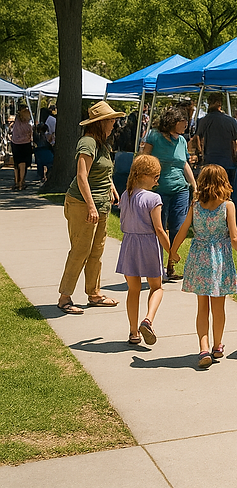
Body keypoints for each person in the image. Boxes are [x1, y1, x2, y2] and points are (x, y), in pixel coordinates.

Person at [170, 165, 237, 368]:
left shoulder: (195, 204)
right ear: (224, 182)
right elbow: (234, 237)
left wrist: (173, 251)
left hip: (199, 257)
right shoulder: (227, 206)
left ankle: (203, 347)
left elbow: (183, 228)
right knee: (218, 307)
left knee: (202, 307)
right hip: (219, 260)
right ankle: (217, 346)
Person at [57, 101, 125, 314]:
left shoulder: (101, 143)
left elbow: (102, 172)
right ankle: (65, 298)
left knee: (96, 251)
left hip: (101, 204)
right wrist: (91, 206)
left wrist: (112, 188)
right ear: (100, 123)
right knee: (80, 251)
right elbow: (81, 176)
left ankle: (94, 294)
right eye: (111, 120)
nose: (114, 123)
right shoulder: (87, 142)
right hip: (82, 205)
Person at [116, 154, 173, 346]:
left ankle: (133, 332)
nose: (158, 179)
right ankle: (148, 319)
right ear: (145, 175)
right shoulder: (153, 198)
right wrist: (171, 251)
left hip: (129, 244)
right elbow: (158, 228)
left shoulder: (126, 194)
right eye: (156, 175)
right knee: (156, 287)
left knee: (133, 289)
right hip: (148, 245)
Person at [142, 107, 197, 279]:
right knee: (159, 228)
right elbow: (144, 158)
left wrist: (194, 186)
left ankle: (170, 266)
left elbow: (184, 164)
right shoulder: (154, 136)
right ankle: (156, 268)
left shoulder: (181, 140)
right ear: (172, 122)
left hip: (180, 189)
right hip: (158, 191)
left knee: (178, 227)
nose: (186, 125)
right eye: (183, 122)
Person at [194, 92, 237, 181]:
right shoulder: (231, 121)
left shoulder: (203, 121)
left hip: (210, 162)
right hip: (227, 162)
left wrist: (201, 154)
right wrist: (234, 157)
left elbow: (197, 138)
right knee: (227, 189)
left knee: (211, 189)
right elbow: (235, 142)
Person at [10, 104, 32, 191]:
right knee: (23, 164)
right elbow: (30, 135)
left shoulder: (16, 122)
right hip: (25, 144)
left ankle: (16, 180)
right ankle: (21, 182)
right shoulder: (27, 126)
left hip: (15, 143)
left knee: (16, 164)